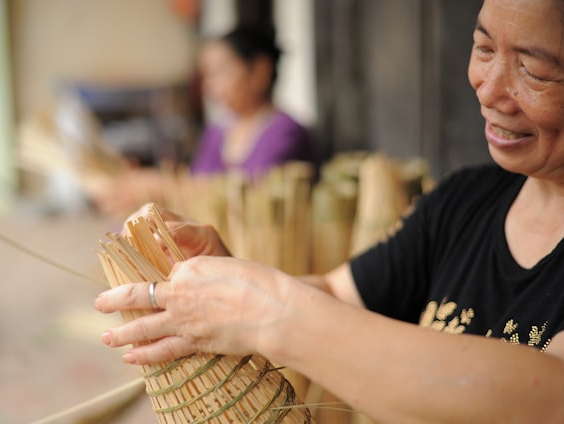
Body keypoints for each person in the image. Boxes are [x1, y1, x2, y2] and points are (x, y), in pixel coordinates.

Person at [94, 0, 564, 422]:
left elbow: (548, 398)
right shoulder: (465, 200)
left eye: (534, 71)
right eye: (483, 48)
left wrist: (265, 310)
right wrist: (228, 282)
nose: (488, 89)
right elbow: (339, 295)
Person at [93, 25, 312, 219]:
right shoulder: (217, 133)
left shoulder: (286, 133)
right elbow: (196, 188)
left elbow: (253, 198)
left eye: (220, 72)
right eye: (207, 76)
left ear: (259, 71)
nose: (209, 87)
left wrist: (162, 185)